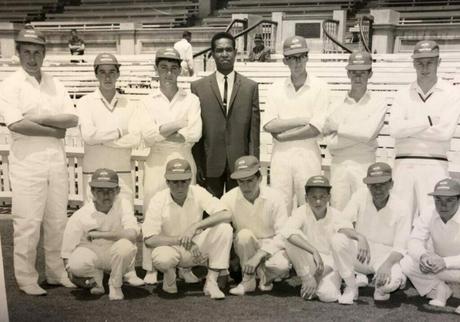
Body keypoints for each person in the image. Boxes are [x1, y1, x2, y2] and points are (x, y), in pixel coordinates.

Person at [0, 26, 79, 295]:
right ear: (19, 53)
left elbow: (71, 118)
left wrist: (37, 117)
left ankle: (56, 273)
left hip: (55, 161)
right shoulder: (10, 85)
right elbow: (16, 124)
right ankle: (26, 278)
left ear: (44, 54)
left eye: (37, 52)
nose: (32, 58)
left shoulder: (55, 83)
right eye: (27, 52)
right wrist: (53, 129)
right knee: (28, 222)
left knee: (58, 220)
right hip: (27, 162)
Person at [76, 52, 144, 287]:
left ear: (118, 73)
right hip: (93, 172)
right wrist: (117, 133)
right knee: (93, 222)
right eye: (102, 72)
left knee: (126, 221)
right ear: (96, 74)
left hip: (122, 172)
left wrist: (103, 138)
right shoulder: (85, 102)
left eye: (112, 71)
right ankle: (95, 271)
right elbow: (88, 135)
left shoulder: (129, 103)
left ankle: (129, 270)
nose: (107, 76)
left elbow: (135, 137)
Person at [138, 48, 202, 284]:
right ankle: (151, 267)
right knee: (153, 212)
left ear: (180, 70)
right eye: (163, 67)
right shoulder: (147, 101)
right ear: (156, 70)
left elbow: (195, 133)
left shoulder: (191, 99)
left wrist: (162, 130)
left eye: (173, 67)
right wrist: (177, 125)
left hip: (184, 158)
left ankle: (185, 265)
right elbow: (147, 135)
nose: (169, 73)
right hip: (156, 161)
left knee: (187, 213)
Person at [389, 40, 460, 224]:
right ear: (413, 63)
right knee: (401, 219)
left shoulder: (452, 93)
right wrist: (427, 121)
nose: (425, 67)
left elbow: (444, 133)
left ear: (439, 62)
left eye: (430, 62)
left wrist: (409, 130)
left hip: (435, 164)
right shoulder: (402, 94)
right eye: (420, 62)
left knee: (432, 220)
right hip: (404, 163)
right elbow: (395, 129)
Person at [142, 158, 233, 299]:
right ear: (167, 182)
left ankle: (211, 281)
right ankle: (170, 276)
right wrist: (182, 240)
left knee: (224, 228)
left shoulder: (198, 191)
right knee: (163, 258)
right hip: (171, 248)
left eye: (183, 181)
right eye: (174, 182)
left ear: (190, 180)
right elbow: (149, 240)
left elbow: (226, 214)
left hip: (196, 249)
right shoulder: (158, 199)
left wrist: (195, 226)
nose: (179, 187)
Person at [263, 36, 331, 213]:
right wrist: (302, 119)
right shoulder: (275, 88)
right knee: (280, 205)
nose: (297, 62)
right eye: (292, 57)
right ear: (285, 60)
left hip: (308, 154)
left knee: (309, 207)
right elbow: (269, 125)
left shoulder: (320, 87)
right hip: (280, 157)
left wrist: (284, 135)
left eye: (301, 56)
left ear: (307, 57)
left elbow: (315, 128)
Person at [191, 31, 260, 198]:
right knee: (210, 214)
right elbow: (196, 131)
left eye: (229, 50)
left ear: (235, 53)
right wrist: (198, 163)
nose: (224, 54)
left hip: (240, 165)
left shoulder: (250, 87)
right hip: (210, 163)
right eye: (220, 50)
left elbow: (253, 133)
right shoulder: (198, 87)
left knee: (238, 215)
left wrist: (253, 166)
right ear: (212, 54)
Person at [61, 169, 140, 301]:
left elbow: (132, 234)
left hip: (115, 255)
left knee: (126, 246)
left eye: (110, 190)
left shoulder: (124, 205)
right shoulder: (81, 215)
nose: (106, 195)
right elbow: (66, 252)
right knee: (76, 263)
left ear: (118, 191)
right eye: (100, 190)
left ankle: (115, 284)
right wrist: (73, 275)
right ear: (92, 191)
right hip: (93, 254)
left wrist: (99, 234)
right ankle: (96, 279)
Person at [338, 162, 411, 303]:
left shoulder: (402, 207)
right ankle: (352, 284)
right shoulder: (360, 195)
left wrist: (387, 265)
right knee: (338, 239)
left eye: (382, 184)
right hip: (361, 252)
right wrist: (359, 237)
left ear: (391, 184)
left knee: (388, 285)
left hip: (385, 255)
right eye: (373, 185)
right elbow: (341, 224)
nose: (377, 189)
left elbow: (401, 246)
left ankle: (383, 282)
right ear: (367, 185)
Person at [323, 51, 387, 210]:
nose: (358, 77)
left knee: (364, 211)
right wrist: (359, 133)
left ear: (370, 74)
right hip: (340, 165)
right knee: (339, 213)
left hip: (365, 164)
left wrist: (339, 127)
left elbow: (368, 133)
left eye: (363, 73)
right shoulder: (336, 102)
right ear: (348, 73)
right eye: (354, 73)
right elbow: (330, 142)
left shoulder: (378, 102)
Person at [220, 156, 289, 295]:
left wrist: (258, 256)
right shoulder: (228, 198)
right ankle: (248, 281)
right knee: (244, 235)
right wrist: (226, 264)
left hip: (271, 245)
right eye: (241, 181)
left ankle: (265, 275)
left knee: (282, 267)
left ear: (260, 178)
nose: (246, 186)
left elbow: (283, 234)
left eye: (250, 180)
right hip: (245, 245)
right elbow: (220, 231)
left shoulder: (276, 197)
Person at [281, 175, 356, 303]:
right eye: (313, 197)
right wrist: (314, 251)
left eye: (322, 197)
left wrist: (317, 277)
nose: (318, 202)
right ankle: (306, 279)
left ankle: (314, 283)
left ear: (329, 197)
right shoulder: (301, 211)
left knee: (328, 296)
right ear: (306, 198)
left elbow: (342, 250)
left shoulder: (337, 215)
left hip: (331, 264)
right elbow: (286, 232)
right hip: (310, 258)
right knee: (290, 237)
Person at [401, 178, 460, 314]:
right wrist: (423, 255)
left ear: (459, 200)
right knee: (407, 262)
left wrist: (445, 262)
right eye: (438, 199)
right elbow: (414, 240)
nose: (442, 205)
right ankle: (440, 290)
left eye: (449, 200)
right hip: (438, 266)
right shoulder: (429, 212)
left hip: (451, 265)